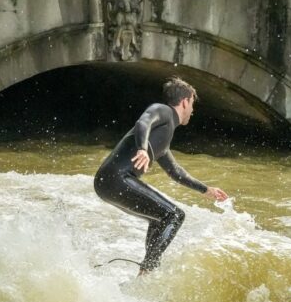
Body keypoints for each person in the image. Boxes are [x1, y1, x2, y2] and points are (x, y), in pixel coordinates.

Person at [94, 77, 229, 274]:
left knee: (160, 218)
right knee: (174, 215)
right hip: (116, 179)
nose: (193, 110)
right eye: (192, 104)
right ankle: (147, 271)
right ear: (185, 101)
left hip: (107, 183)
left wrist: (206, 190)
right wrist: (141, 149)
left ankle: (146, 270)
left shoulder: (163, 139)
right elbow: (143, 122)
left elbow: (176, 173)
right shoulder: (163, 111)